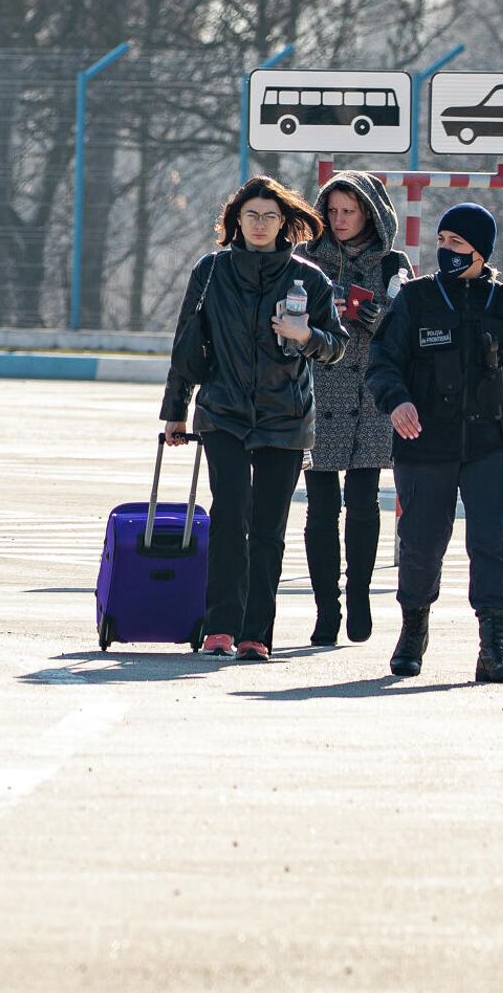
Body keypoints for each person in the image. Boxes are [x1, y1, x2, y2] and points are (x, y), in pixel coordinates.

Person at [161, 176, 348, 662]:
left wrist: (306, 336)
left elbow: (336, 347)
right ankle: (220, 627)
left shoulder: (309, 279)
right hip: (223, 411)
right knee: (229, 516)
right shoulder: (211, 271)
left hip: (286, 417)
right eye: (251, 216)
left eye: (269, 216)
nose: (260, 224)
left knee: (268, 528)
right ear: (236, 221)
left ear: (284, 222)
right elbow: (187, 342)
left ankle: (255, 634)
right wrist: (175, 411)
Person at [364, 203, 503, 682]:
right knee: (421, 545)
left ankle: (493, 649)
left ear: (481, 252)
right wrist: (397, 401)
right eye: (442, 241)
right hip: (425, 444)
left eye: (458, 243)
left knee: (492, 543)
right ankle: (413, 633)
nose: (446, 250)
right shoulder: (415, 299)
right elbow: (382, 362)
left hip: (493, 443)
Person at [296, 171, 407, 646]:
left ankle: (359, 594)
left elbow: (406, 328)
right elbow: (286, 319)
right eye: (333, 210)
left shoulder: (393, 264)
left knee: (363, 503)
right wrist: (324, 316)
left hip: (371, 399)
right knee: (320, 510)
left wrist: (370, 315)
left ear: (370, 214)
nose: (339, 220)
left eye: (350, 211)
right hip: (318, 395)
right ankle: (327, 607)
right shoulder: (304, 258)